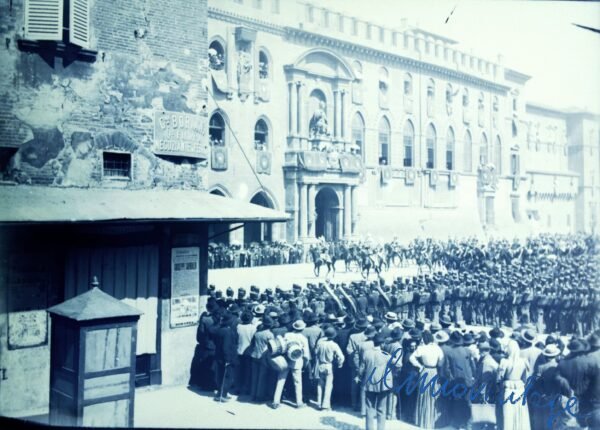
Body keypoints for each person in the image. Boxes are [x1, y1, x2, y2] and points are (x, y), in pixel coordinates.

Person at [270, 320, 310, 409]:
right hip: (297, 361)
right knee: (298, 382)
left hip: (285, 360)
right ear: (302, 328)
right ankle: (299, 402)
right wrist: (305, 364)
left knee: (280, 380)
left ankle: (275, 401)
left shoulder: (287, 335)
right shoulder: (303, 338)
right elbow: (306, 355)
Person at [409, 330, 444, 429]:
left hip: (425, 371)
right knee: (433, 396)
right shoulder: (438, 348)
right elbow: (441, 360)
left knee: (423, 395)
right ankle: (432, 421)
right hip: (434, 372)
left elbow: (411, 358)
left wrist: (419, 366)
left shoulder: (422, 348)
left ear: (424, 339)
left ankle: (423, 420)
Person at [360, 333, 394, 430]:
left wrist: (359, 377)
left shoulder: (366, 353)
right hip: (383, 384)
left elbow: (361, 368)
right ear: (382, 343)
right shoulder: (386, 355)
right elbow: (398, 363)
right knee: (381, 409)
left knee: (369, 408)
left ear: (373, 343)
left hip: (369, 383)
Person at [497, 340, 531, 430]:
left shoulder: (504, 362)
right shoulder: (524, 361)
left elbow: (499, 378)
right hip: (520, 389)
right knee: (521, 413)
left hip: (507, 389)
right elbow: (526, 378)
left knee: (508, 415)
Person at [314, 326, 345, 411]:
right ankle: (325, 405)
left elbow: (315, 352)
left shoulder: (320, 343)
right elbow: (341, 357)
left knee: (320, 384)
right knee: (328, 385)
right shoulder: (334, 345)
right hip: (329, 365)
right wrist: (340, 363)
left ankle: (318, 403)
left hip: (320, 365)